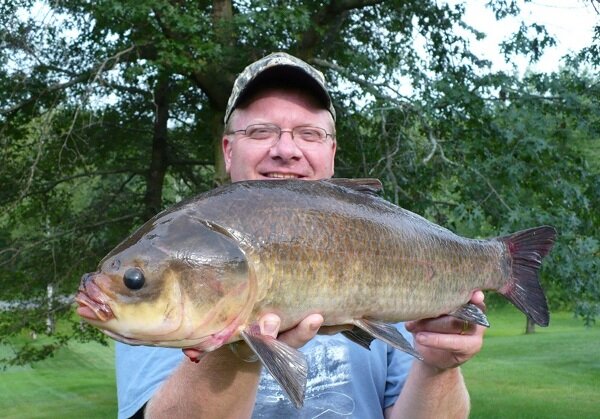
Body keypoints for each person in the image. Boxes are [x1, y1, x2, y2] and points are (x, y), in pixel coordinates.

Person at [116, 52, 486, 419]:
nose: (286, 150)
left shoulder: (383, 245)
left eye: (309, 134)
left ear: (332, 151)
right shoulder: (173, 252)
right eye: (261, 131)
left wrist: (439, 367)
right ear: (228, 150)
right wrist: (237, 352)